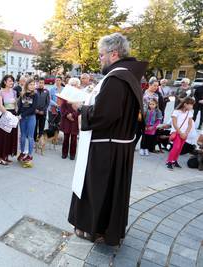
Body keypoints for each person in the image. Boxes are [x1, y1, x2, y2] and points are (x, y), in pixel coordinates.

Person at [68, 33, 147, 246]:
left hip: (107, 148)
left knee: (98, 188)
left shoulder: (116, 79)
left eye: (102, 54)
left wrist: (82, 109)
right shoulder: (127, 76)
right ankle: (105, 229)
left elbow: (104, 115)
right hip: (116, 145)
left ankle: (94, 230)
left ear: (114, 54)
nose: (100, 59)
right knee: (111, 191)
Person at [0, 75, 18, 165]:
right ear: (4, 82)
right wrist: (7, 114)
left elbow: (15, 104)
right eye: (9, 81)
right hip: (4, 115)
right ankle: (0, 158)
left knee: (10, 136)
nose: (11, 82)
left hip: (13, 115)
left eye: (12, 81)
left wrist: (16, 115)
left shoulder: (14, 92)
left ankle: (6, 156)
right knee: (3, 137)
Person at [166, 97, 195, 170]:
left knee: (180, 148)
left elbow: (190, 124)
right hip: (177, 132)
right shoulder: (176, 112)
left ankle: (174, 161)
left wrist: (186, 133)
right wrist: (181, 133)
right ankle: (169, 161)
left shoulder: (190, 113)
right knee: (176, 147)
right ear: (185, 104)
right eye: (191, 105)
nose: (192, 106)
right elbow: (175, 124)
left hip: (185, 134)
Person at [59, 78, 80, 160]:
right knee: (66, 137)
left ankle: (72, 154)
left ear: (77, 86)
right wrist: (67, 114)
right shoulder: (66, 94)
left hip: (75, 120)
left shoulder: (80, 95)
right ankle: (64, 153)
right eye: (72, 84)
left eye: (75, 84)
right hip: (66, 119)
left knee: (74, 139)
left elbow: (81, 108)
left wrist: (73, 115)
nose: (73, 86)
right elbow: (62, 106)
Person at [17, 78, 37, 162]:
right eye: (30, 84)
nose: (32, 86)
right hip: (22, 118)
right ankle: (22, 152)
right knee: (22, 136)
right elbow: (21, 106)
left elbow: (33, 108)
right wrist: (17, 115)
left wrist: (22, 115)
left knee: (30, 137)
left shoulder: (35, 95)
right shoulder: (22, 94)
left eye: (33, 84)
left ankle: (30, 155)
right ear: (27, 85)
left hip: (31, 118)